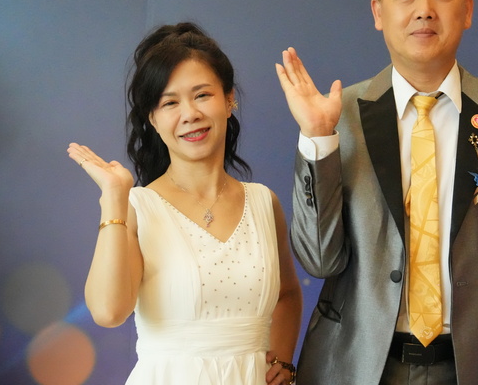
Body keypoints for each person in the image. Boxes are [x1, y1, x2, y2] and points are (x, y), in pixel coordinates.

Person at [275, 0, 478, 385]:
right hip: (359, 366)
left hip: (474, 368)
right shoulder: (338, 115)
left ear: (468, 9)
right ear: (378, 13)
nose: (424, 9)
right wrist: (318, 139)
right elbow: (320, 260)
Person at [67, 23, 302, 385]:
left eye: (202, 95)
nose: (189, 114)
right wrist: (114, 197)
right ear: (153, 118)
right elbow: (108, 312)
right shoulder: (137, 206)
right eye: (170, 103)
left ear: (229, 100)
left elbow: (287, 293)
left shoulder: (263, 202)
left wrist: (283, 361)